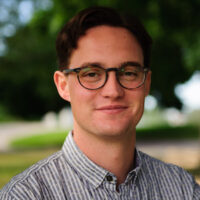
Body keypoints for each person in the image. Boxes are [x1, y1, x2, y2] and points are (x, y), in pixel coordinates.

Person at [1, 6, 200, 200]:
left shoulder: (182, 188)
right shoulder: (25, 195)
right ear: (63, 85)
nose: (113, 91)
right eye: (92, 74)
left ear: (146, 84)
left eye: (129, 73)